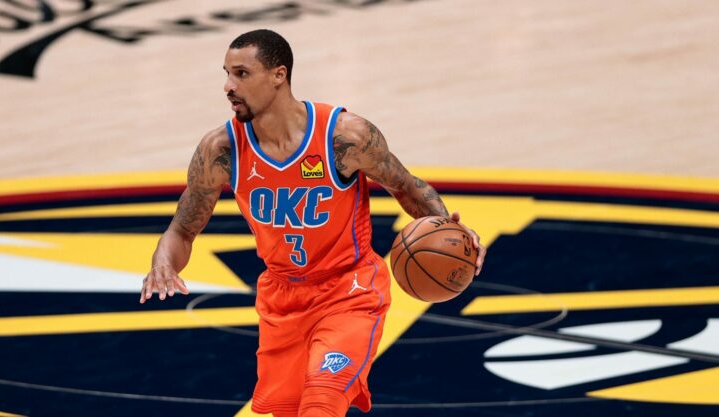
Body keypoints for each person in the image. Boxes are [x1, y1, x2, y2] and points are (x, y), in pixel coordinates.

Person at [140, 29, 486, 417]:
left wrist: (449, 231)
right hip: (282, 298)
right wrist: (164, 263)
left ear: (279, 75)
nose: (228, 87)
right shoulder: (221, 150)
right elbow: (183, 228)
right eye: (227, 74)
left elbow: (407, 187)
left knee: (323, 402)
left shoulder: (345, 136)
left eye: (241, 74)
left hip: (349, 290)